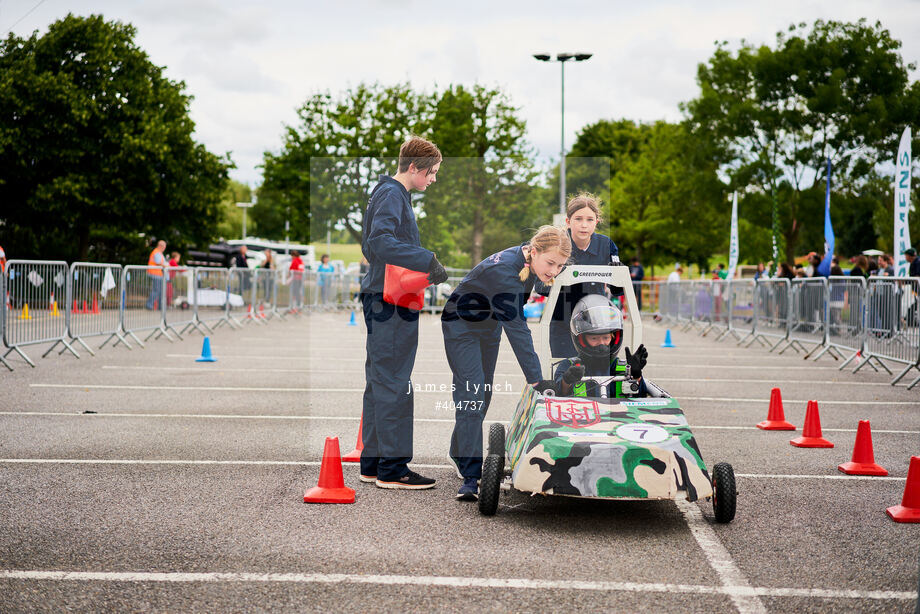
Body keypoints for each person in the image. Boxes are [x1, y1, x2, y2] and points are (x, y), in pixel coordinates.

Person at [443, 225, 571, 501]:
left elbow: (539, 289)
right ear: (533, 252)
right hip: (461, 326)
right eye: (551, 263)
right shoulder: (505, 272)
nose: (554, 271)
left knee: (482, 395)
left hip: (488, 327)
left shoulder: (530, 261)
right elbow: (518, 330)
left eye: (560, 265)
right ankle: (471, 476)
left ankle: (458, 451)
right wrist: (536, 379)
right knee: (473, 394)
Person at [359, 135, 447, 490]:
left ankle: (374, 463)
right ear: (414, 167)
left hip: (384, 295)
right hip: (390, 299)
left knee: (381, 380)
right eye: (432, 172)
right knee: (395, 381)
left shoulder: (388, 193)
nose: (433, 179)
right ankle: (393, 469)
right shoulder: (393, 194)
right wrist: (426, 259)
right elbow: (378, 243)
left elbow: (371, 245)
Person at [536, 193, 619, 358]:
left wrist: (619, 275)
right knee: (565, 374)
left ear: (597, 221)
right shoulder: (555, 244)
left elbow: (618, 290)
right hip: (562, 322)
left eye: (589, 219)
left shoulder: (606, 245)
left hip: (596, 325)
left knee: (596, 377)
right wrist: (561, 277)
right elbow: (540, 286)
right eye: (578, 219)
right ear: (568, 222)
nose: (584, 225)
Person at [553, 295, 649, 398]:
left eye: (606, 338)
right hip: (583, 412)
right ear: (582, 340)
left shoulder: (624, 368)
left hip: (618, 413)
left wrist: (636, 376)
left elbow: (641, 398)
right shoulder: (568, 366)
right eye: (594, 338)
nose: (601, 343)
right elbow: (558, 394)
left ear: (613, 338)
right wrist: (567, 381)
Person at [146, 240, 167, 310]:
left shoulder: (158, 252)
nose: (164, 249)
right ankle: (149, 305)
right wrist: (166, 265)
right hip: (155, 274)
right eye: (164, 247)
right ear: (161, 246)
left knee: (159, 291)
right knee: (156, 290)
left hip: (158, 274)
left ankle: (160, 307)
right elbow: (158, 262)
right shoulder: (157, 252)